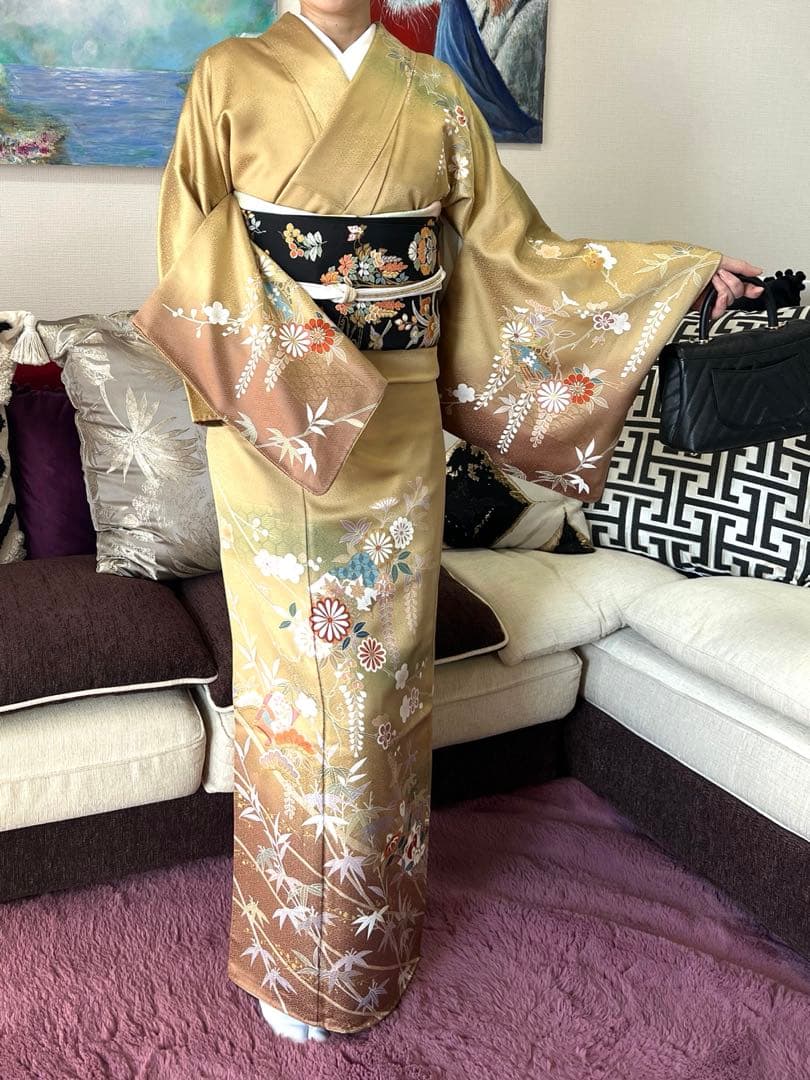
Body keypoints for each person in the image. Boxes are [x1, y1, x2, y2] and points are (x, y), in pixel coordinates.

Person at [131, 0, 764, 1043]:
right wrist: (303, 395)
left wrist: (674, 277)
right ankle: (295, 956)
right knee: (295, 692)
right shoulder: (227, 76)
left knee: (381, 688)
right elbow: (188, 247)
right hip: (276, 422)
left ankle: (365, 942)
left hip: (398, 429)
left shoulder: (433, 90)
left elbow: (522, 257)